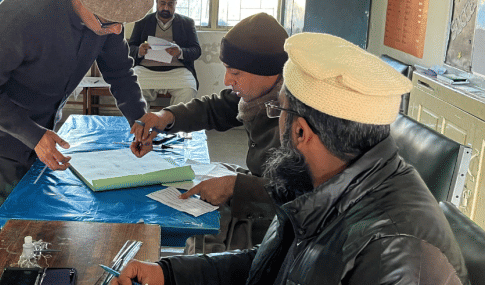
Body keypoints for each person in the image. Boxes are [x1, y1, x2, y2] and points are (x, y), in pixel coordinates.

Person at [115, 33, 469, 285]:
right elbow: (270, 264)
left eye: (278, 108)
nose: (274, 115)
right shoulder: (319, 181)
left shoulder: (396, 256)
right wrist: (170, 274)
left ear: (300, 132)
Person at [0, 0, 154, 277]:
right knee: (0, 236)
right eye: (109, 23)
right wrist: (32, 135)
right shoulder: (25, 11)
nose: (116, 30)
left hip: (42, 128)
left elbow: (119, 70)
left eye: (121, 24)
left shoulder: (107, 13)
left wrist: (138, 118)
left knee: (37, 230)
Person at [132, 12, 288, 253]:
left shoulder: (296, 118)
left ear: (268, 71)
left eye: (235, 73)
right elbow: (215, 107)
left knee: (202, 250)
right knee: (206, 179)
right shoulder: (261, 95)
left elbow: (306, 196)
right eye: (227, 70)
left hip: (283, 223)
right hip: (264, 186)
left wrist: (236, 188)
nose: (227, 80)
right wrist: (166, 117)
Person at [128, 0, 201, 106]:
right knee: (132, 89)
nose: (166, 7)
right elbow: (130, 48)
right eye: (162, 3)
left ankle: (174, 123)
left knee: (189, 90)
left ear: (176, 4)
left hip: (177, 71)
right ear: (156, 2)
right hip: (146, 70)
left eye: (170, 4)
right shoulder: (143, 21)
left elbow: (196, 50)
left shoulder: (187, 23)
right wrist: (140, 51)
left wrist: (180, 52)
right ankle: (143, 123)